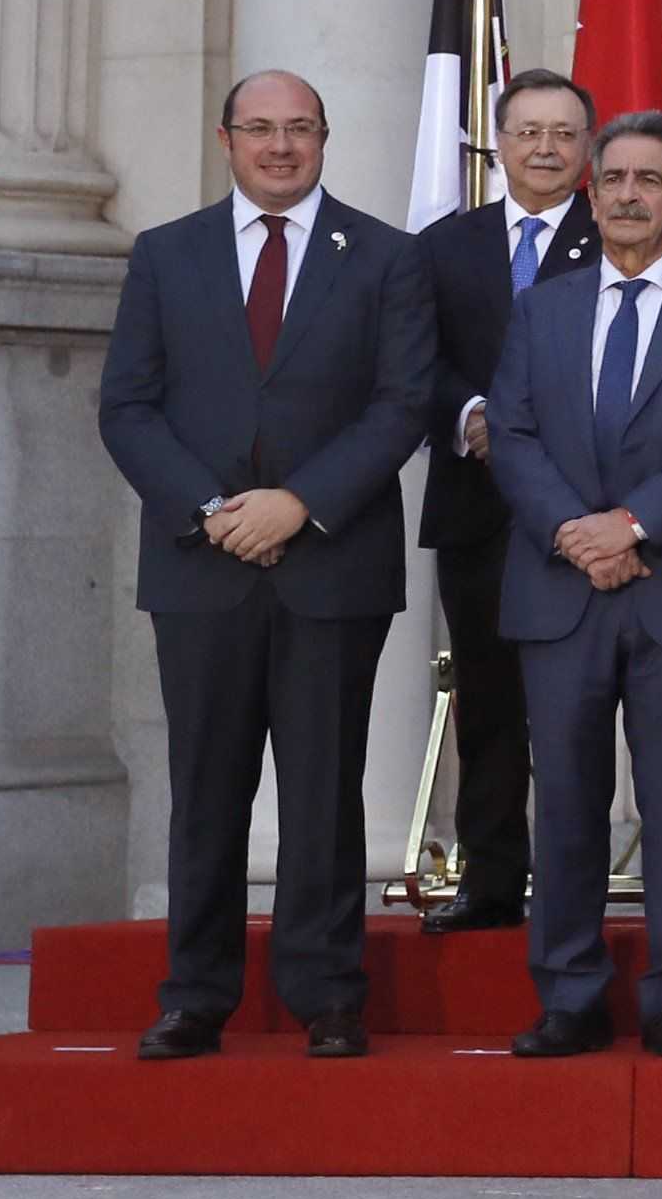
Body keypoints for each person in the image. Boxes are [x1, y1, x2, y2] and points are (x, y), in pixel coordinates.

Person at [95, 72, 440, 1060]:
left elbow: (401, 402)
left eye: (298, 128)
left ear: (325, 138)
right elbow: (128, 405)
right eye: (260, 128)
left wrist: (302, 501)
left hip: (332, 563)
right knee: (206, 786)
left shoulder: (385, 256)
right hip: (202, 568)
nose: (279, 145)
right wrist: (212, 511)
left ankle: (328, 993)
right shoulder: (167, 255)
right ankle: (195, 994)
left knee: (325, 787)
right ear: (226, 138)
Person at [481, 112, 662, 1059]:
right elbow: (513, 433)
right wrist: (575, 533)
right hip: (562, 585)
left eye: (649, 181)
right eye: (611, 179)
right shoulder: (542, 307)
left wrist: (633, 524)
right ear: (591, 191)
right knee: (565, 799)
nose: (626, 195)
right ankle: (568, 995)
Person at [412, 67, 598, 935]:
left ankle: (575, 884)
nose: (546, 149)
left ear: (588, 147)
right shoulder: (445, 245)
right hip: (480, 511)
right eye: (528, 132)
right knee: (489, 706)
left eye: (564, 133)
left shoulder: (620, 233)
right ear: (500, 142)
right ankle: (491, 882)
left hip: (587, 509)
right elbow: (414, 363)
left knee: (580, 708)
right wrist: (471, 413)